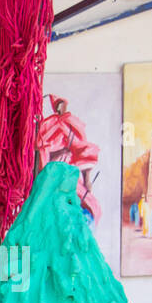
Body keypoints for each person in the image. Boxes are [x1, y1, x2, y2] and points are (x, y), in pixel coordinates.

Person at [36, 94, 101, 225]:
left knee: (85, 206)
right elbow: (40, 149)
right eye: (59, 104)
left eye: (63, 104)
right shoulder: (47, 126)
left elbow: (83, 149)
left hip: (69, 174)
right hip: (51, 174)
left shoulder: (72, 125)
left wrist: (87, 179)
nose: (62, 107)